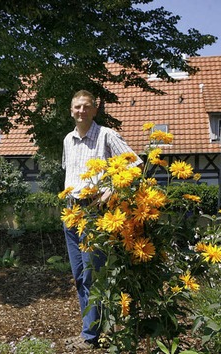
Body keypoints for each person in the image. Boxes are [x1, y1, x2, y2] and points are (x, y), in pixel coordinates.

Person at [62, 90, 141, 350]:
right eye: (77, 107)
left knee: (93, 276)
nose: (81, 111)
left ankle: (93, 336)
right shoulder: (67, 140)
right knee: (78, 275)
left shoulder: (107, 135)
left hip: (96, 212)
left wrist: (113, 189)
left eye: (86, 107)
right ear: (71, 110)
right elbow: (71, 175)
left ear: (95, 110)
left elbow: (135, 164)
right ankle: (91, 331)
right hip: (71, 213)